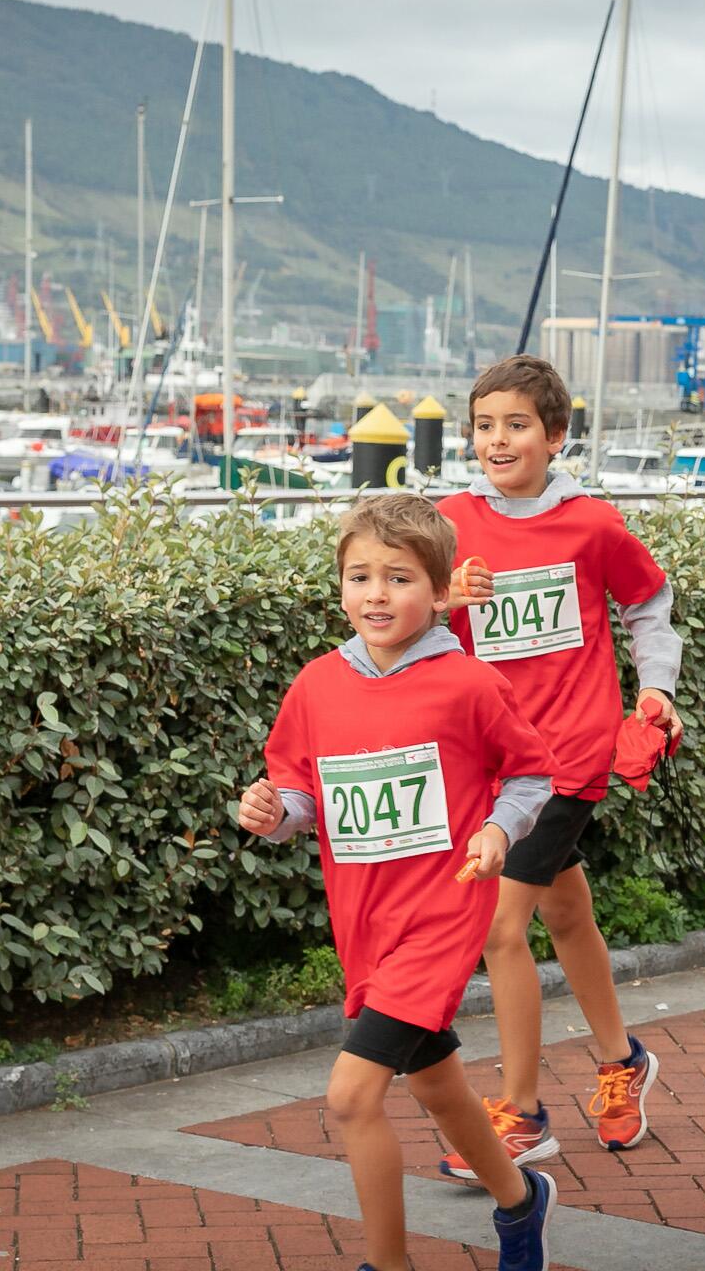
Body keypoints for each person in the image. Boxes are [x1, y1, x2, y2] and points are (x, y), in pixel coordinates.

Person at [239, 493, 562, 1271]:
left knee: (351, 1097)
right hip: (364, 923)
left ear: (441, 590)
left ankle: (389, 1265)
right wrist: (271, 811)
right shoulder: (317, 684)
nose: (376, 595)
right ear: (340, 584)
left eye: (400, 578)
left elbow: (530, 774)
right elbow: (303, 793)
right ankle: (521, 1204)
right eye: (360, 576)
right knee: (439, 1086)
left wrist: (495, 830)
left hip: (443, 914)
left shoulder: (468, 684)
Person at [433, 354, 683, 1177]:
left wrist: (655, 690)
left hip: (566, 755)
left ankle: (523, 1115)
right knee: (566, 913)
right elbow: (400, 618)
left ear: (556, 435)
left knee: (502, 928)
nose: (497, 440)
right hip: (489, 758)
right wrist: (444, 601)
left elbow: (648, 600)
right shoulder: (448, 522)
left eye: (515, 425)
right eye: (483, 425)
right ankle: (622, 1063)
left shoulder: (591, 524)